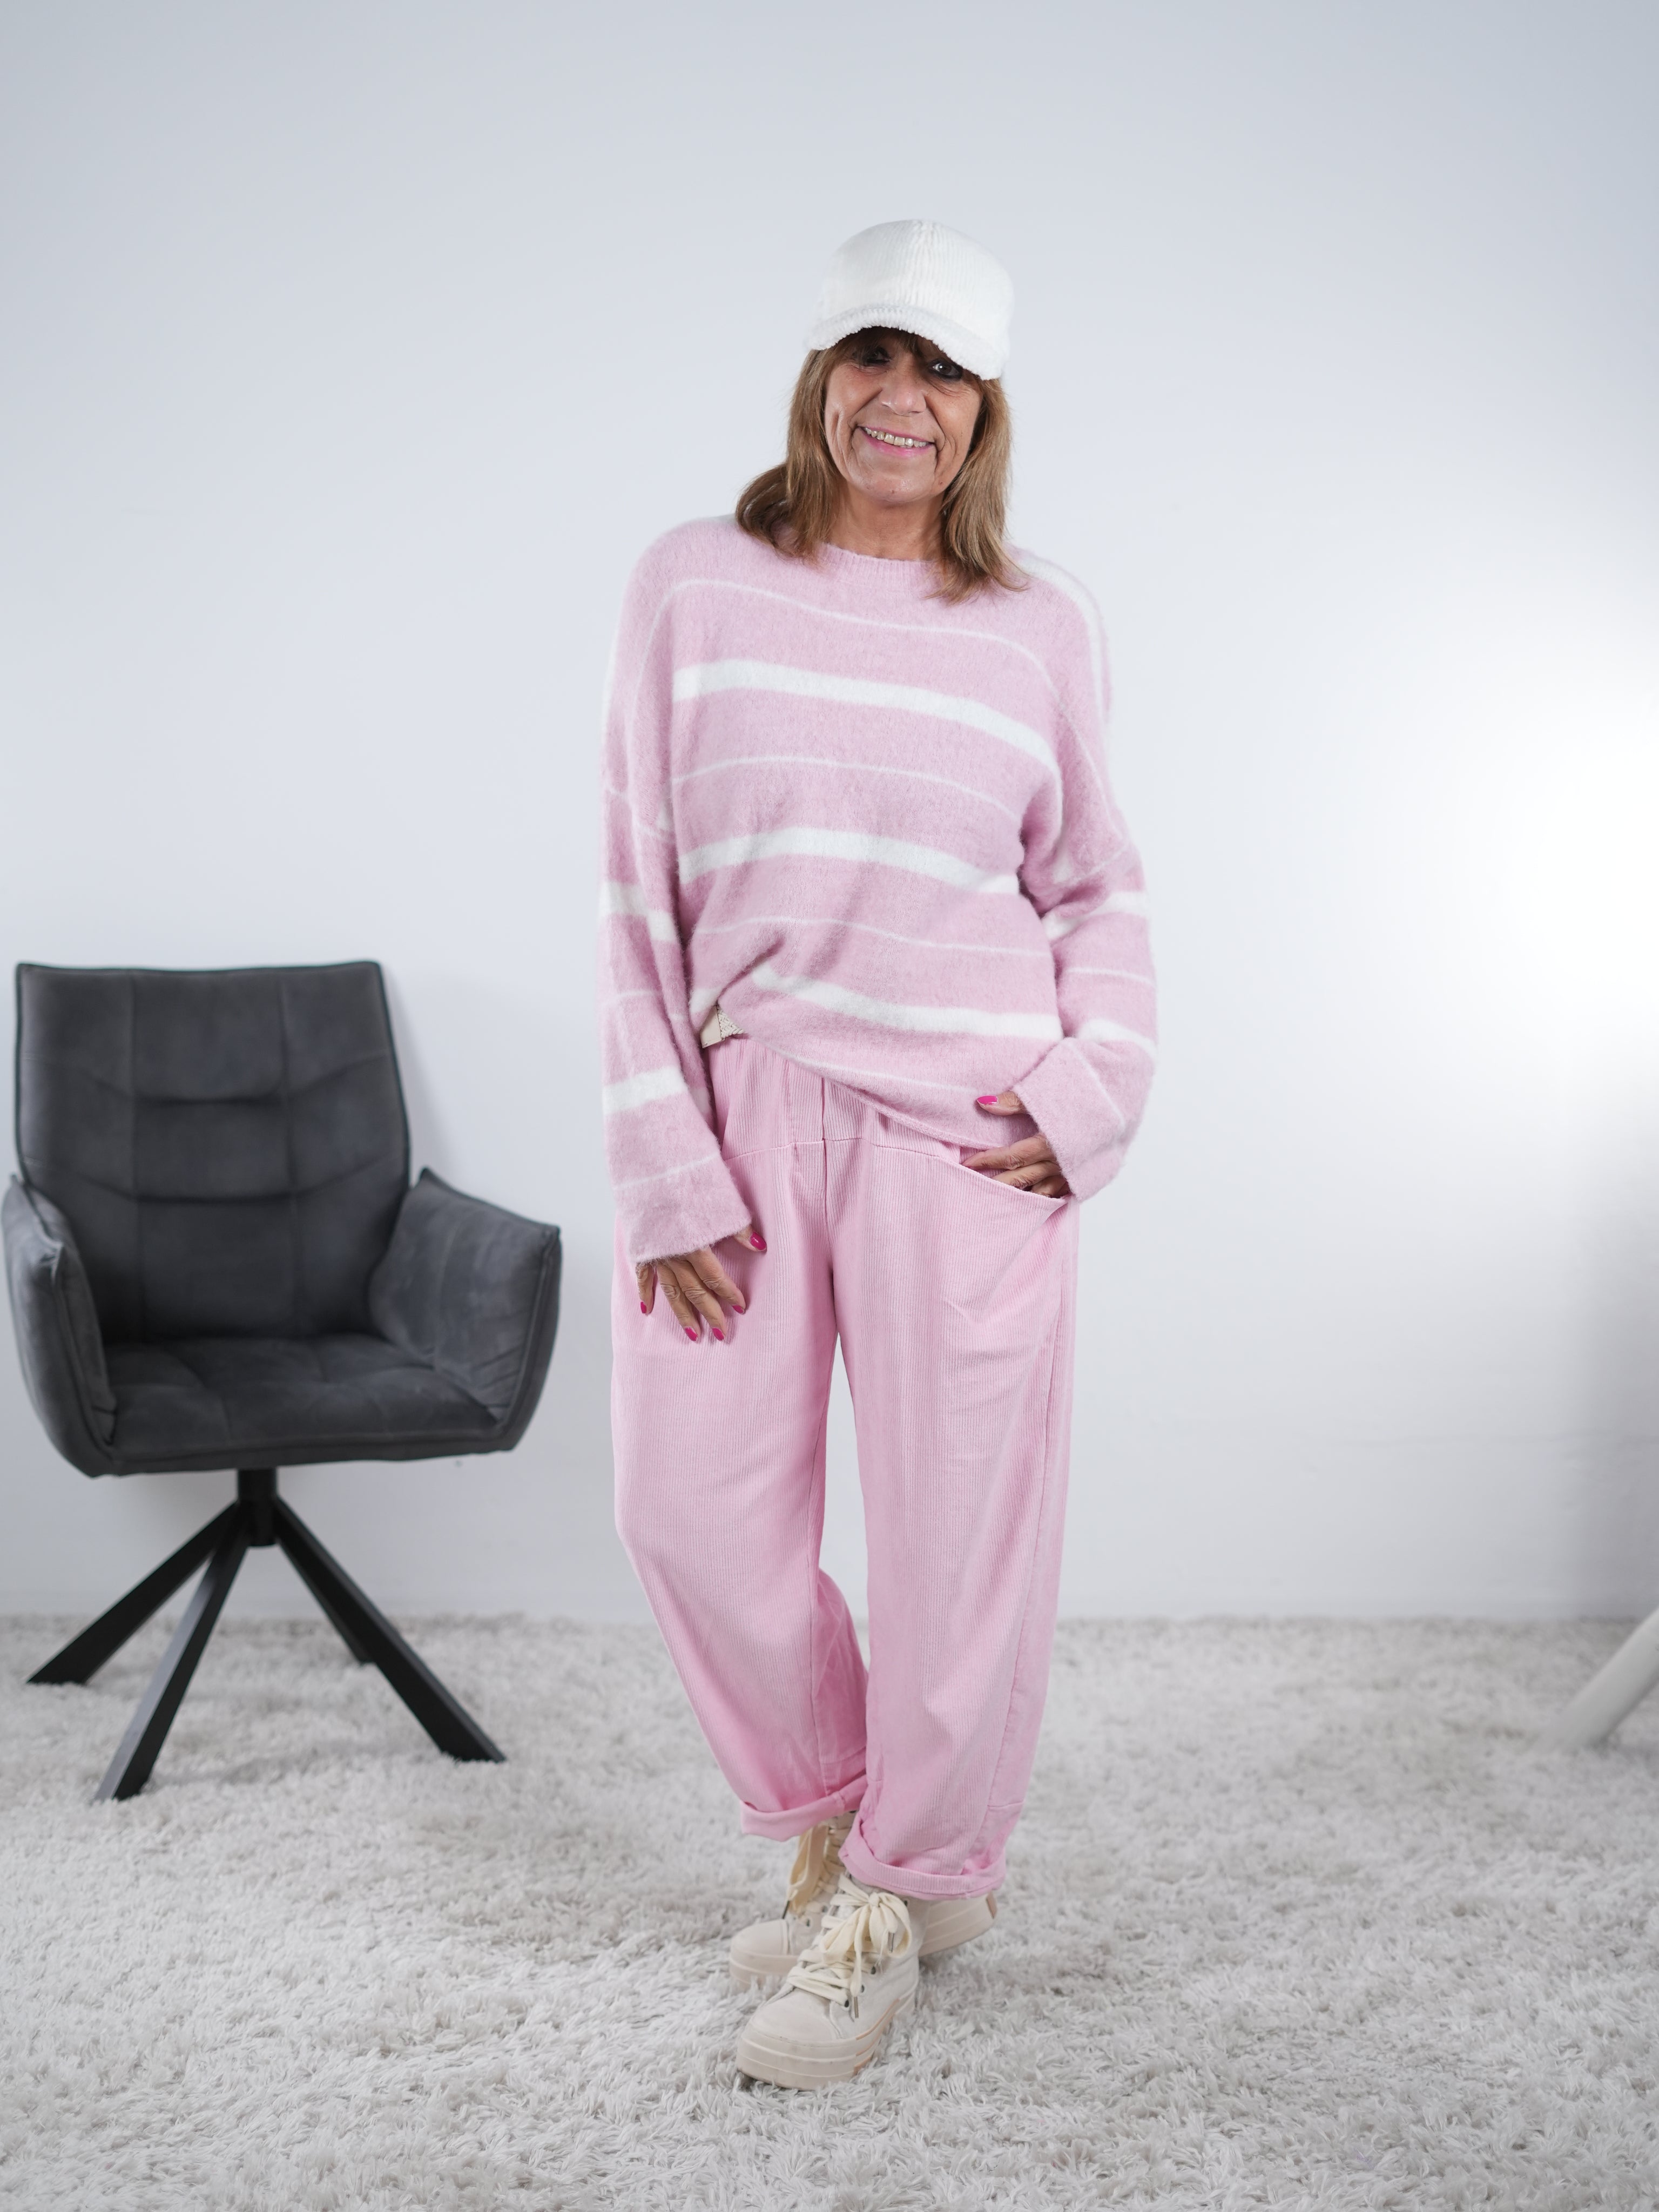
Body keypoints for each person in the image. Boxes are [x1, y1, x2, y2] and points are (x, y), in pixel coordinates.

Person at [598, 219, 1155, 2088]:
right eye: (873, 355)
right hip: (748, 1108)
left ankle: (902, 1895)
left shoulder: (1041, 625)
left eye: (942, 371)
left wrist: (1088, 1097)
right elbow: (633, 889)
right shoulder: (694, 582)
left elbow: (1097, 887)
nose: (900, 399)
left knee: (954, 1546)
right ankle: (861, 1836)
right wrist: (663, 1160)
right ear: (821, 374)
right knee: (683, 1509)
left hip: (968, 1137)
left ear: (986, 409)